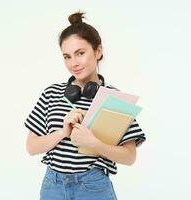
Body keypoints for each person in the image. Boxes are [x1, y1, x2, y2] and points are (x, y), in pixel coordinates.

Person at [24, 11, 146, 200]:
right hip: (53, 186)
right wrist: (63, 133)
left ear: (98, 51)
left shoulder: (115, 99)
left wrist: (93, 143)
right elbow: (31, 147)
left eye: (80, 53)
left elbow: (129, 157)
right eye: (67, 56)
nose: (74, 63)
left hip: (93, 186)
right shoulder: (51, 93)